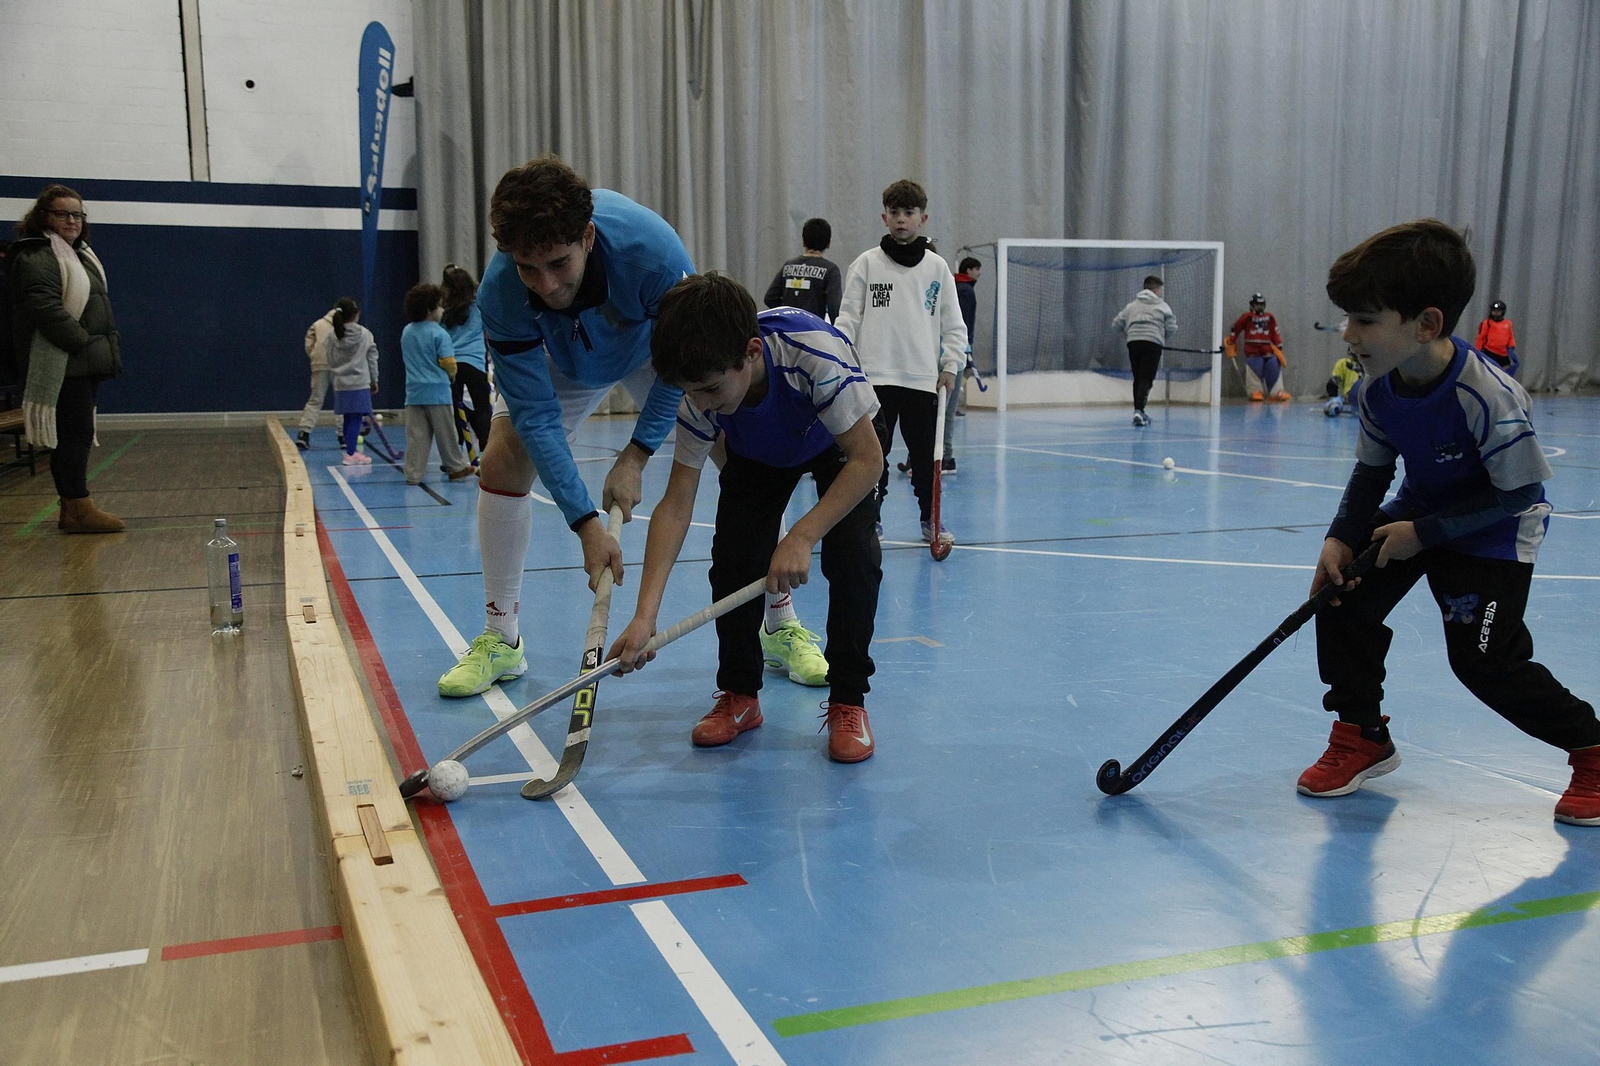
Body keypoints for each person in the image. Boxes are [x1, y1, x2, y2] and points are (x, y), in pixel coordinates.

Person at [437, 155, 827, 698]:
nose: (546, 286)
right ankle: (501, 637)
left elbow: (683, 355)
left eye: (558, 263)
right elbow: (537, 417)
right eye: (528, 267)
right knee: (503, 453)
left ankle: (778, 620)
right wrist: (586, 524)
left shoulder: (652, 253)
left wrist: (638, 452)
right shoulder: (501, 295)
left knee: (744, 460)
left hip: (657, 352)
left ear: (588, 237)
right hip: (562, 357)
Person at [1299, 218, 1600, 826]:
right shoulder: (1378, 389)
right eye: (1347, 318)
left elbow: (1521, 492)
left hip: (1493, 530)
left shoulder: (1486, 393)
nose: (1348, 333)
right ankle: (1363, 734)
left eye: (1364, 320)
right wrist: (1340, 538)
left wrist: (1424, 536)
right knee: (1339, 603)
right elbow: (1371, 475)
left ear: (1426, 324)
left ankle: (1593, 751)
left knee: (1485, 662)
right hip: (1420, 513)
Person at [609, 274, 884, 762]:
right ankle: (740, 696)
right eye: (691, 393)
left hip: (838, 445)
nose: (701, 404)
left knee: (852, 557)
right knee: (734, 558)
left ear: (752, 353)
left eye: (711, 389)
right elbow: (675, 503)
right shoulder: (703, 394)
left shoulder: (812, 353)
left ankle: (848, 700)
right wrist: (645, 616)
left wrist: (801, 534)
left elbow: (868, 459)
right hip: (760, 453)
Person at [835, 178, 964, 544]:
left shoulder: (938, 269)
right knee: (874, 456)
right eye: (895, 213)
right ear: (884, 217)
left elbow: (953, 323)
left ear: (922, 218)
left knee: (925, 459)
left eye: (909, 213)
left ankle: (930, 519)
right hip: (873, 379)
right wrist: (842, 361)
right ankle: (870, 519)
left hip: (923, 380)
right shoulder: (865, 264)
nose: (901, 219)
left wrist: (950, 364)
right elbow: (848, 319)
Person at [7, 183, 123, 532]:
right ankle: (78, 507)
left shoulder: (79, 253)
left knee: (74, 436)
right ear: (44, 216)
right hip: (63, 360)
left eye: (77, 214)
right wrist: (84, 343)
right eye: (63, 213)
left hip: (79, 360)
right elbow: (46, 310)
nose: (72, 220)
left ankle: (71, 508)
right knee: (75, 436)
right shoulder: (37, 256)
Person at [400, 283, 474, 485]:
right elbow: (449, 363)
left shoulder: (407, 332)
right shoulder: (439, 334)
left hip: (414, 393)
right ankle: (455, 467)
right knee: (446, 434)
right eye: (439, 306)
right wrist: (452, 376)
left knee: (417, 437)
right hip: (438, 392)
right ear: (429, 309)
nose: (442, 310)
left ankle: (413, 474)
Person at [1111, 275, 1176, 427]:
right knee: (1147, 377)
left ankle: (1138, 410)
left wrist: (1128, 334)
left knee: (1138, 376)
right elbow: (1172, 326)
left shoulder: (1132, 306)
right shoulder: (1162, 306)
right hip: (1153, 344)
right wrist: (1162, 337)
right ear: (1155, 289)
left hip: (1133, 343)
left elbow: (1116, 324)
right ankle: (1139, 410)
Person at [441, 263, 492, 455]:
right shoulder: (478, 309)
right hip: (475, 364)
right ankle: (486, 447)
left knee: (456, 407)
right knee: (483, 409)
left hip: (452, 366)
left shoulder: (445, 314)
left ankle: (457, 446)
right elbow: (488, 333)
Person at [323, 298, 378, 467]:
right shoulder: (365, 334)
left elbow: (330, 359)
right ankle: (351, 453)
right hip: (360, 383)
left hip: (341, 384)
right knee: (355, 418)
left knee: (348, 417)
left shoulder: (332, 336)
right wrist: (374, 380)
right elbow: (372, 359)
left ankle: (350, 451)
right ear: (356, 314)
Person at [763, 217, 843, 322]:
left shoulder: (788, 266)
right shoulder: (831, 270)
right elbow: (834, 307)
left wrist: (785, 314)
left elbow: (770, 298)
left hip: (787, 327)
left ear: (803, 241)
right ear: (828, 243)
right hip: (812, 329)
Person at [1226, 292, 1290, 401]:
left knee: (1274, 364)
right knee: (1254, 367)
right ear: (1252, 306)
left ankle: (1276, 392)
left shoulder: (1269, 317)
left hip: (1268, 351)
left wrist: (1279, 346)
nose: (1259, 308)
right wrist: (1231, 341)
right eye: (1257, 305)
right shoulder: (1247, 317)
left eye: (1261, 305)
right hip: (1253, 352)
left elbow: (1275, 331)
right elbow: (1236, 328)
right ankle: (1255, 391)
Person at [296, 305, 338, 450]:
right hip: (340, 365)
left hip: (319, 363)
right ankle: (343, 436)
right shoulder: (348, 325)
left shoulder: (318, 324)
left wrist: (314, 356)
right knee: (342, 400)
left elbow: (309, 342)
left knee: (315, 399)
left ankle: (304, 433)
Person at [1474, 300, 1517, 376]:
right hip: (1490, 351)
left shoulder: (1508, 323)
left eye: (1498, 311)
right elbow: (1480, 337)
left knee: (1505, 370)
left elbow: (1510, 335)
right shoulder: (1487, 323)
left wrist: (1511, 346)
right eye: (1494, 311)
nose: (1496, 313)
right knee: (1489, 370)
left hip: (1503, 353)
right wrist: (1478, 350)